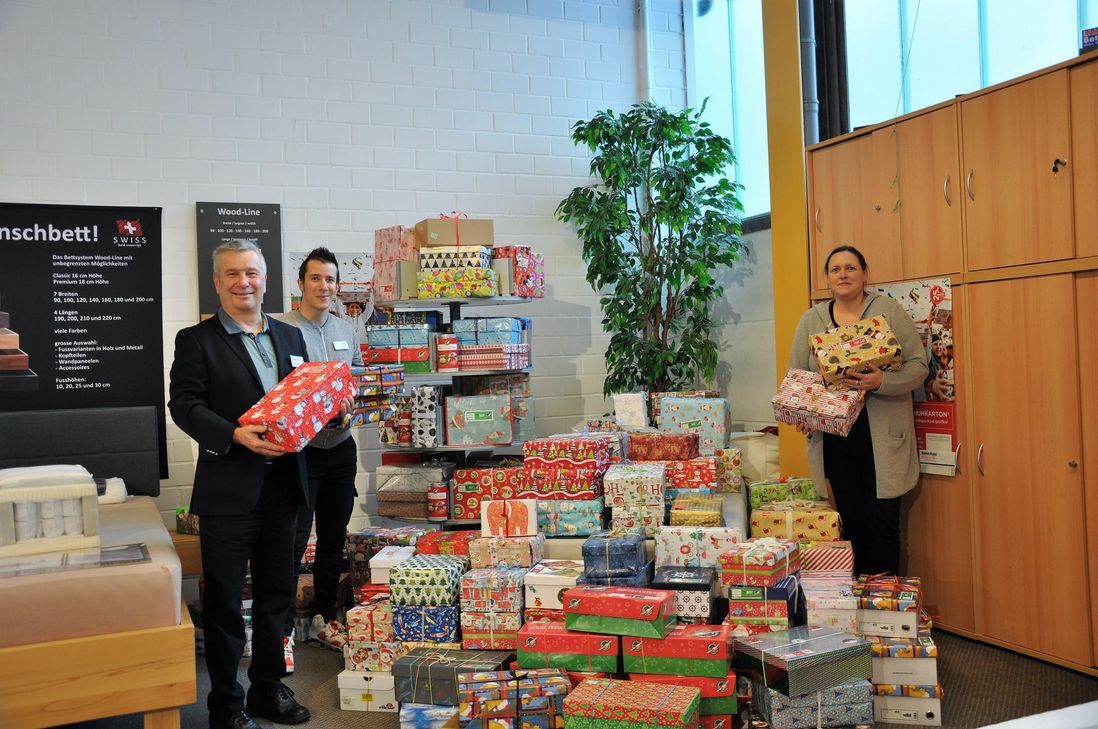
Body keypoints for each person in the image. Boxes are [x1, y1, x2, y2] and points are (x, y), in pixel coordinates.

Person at [168, 240, 312, 729]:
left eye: (251, 272)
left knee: (277, 597)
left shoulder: (291, 337)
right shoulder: (197, 339)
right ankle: (226, 705)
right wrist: (233, 434)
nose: (242, 282)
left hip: (287, 486)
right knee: (226, 603)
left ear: (266, 279)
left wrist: (332, 414)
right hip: (229, 490)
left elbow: (304, 402)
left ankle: (268, 692)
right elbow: (184, 406)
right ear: (217, 282)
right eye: (231, 274)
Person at [788, 245, 928, 576]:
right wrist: (804, 413)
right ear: (827, 278)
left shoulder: (888, 311)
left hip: (882, 440)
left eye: (851, 268)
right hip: (836, 440)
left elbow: (919, 365)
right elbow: (797, 377)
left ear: (865, 274)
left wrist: (882, 381)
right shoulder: (812, 320)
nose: (844, 274)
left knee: (883, 526)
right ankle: (859, 610)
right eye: (835, 269)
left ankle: (882, 607)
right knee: (852, 525)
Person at [279, 247, 364, 656]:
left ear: (338, 285)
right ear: (300, 283)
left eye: (330, 280)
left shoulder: (348, 330)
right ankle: (280, 626)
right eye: (315, 278)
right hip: (301, 452)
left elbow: (360, 385)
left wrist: (353, 406)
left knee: (333, 538)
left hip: (340, 448)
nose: (323, 286)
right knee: (293, 538)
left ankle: (324, 617)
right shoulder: (280, 330)